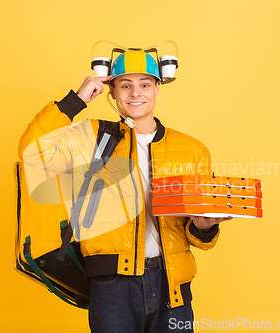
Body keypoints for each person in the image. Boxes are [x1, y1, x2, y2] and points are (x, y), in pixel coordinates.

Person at [18, 50, 232, 333]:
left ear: (157, 88)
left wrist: (204, 228)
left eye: (144, 84)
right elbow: (33, 154)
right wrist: (76, 100)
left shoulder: (193, 150)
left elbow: (198, 234)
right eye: (125, 85)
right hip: (112, 285)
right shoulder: (92, 138)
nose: (135, 93)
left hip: (173, 285)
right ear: (111, 90)